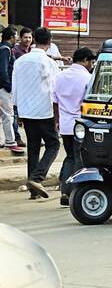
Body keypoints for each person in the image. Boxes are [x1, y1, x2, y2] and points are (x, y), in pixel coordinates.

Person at [12, 27, 60, 199]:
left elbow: (15, 87)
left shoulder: (20, 61)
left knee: (33, 148)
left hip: (25, 110)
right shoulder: (49, 63)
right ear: (49, 42)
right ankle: (37, 178)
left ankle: (33, 190)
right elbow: (56, 89)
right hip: (44, 110)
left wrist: (17, 109)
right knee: (53, 145)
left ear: (33, 40)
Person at [53, 48, 94, 206]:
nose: (91, 65)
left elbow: (55, 102)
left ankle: (65, 190)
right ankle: (74, 192)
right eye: (91, 62)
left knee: (70, 157)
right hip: (81, 125)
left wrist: (57, 121)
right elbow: (88, 103)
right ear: (84, 60)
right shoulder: (88, 78)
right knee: (80, 158)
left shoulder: (60, 76)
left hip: (64, 124)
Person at [0, 26, 21, 154]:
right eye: (16, 36)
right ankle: (10, 141)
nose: (17, 39)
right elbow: (3, 70)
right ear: (11, 37)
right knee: (8, 115)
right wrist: (8, 86)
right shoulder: (5, 50)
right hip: (3, 88)